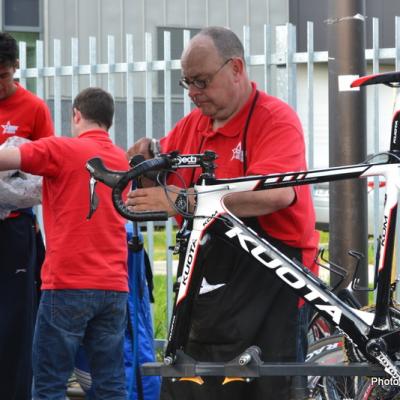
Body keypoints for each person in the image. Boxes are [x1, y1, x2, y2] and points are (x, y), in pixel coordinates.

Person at [126, 26, 319, 400]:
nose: (194, 93)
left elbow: (277, 193)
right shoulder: (192, 126)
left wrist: (182, 200)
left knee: (267, 389)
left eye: (201, 81)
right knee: (193, 384)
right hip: (212, 279)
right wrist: (144, 165)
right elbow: (163, 175)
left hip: (274, 278)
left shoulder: (275, 120)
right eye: (187, 83)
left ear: (236, 68)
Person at [0, 87, 130, 400]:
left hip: (67, 284)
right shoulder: (122, 162)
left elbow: (8, 158)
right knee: (111, 385)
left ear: (76, 115)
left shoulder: (63, 149)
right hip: (114, 288)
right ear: (109, 122)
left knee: (49, 385)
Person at [0, 32, 54, 399]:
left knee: (15, 320)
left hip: (15, 229)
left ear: (16, 67)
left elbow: (45, 170)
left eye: (1, 74)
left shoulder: (33, 108)